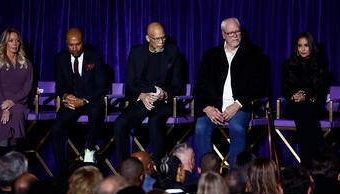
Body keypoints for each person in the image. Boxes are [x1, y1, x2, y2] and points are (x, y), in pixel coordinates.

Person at [194, 17, 268, 168]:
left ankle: (236, 177)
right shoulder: (210, 56)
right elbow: (199, 87)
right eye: (230, 33)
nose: (235, 35)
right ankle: (208, 176)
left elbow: (260, 86)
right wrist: (207, 107)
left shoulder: (254, 54)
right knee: (200, 127)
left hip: (241, 106)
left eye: (237, 32)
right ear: (223, 35)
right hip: (214, 107)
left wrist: (238, 104)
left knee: (236, 127)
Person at [114, 22, 183, 166]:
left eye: (163, 38)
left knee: (155, 121)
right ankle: (126, 168)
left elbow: (178, 84)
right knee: (120, 123)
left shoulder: (173, 52)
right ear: (147, 38)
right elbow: (130, 85)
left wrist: (164, 93)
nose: (161, 42)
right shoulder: (136, 53)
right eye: (157, 39)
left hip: (163, 101)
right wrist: (142, 95)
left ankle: (159, 169)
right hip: (143, 100)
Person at [52, 28, 107, 177]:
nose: (74, 48)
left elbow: (102, 86)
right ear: (66, 43)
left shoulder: (94, 57)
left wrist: (83, 101)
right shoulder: (61, 58)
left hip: (91, 100)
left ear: (83, 42)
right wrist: (65, 96)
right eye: (71, 45)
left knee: (97, 111)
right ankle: (62, 171)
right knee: (57, 128)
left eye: (78, 44)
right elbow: (60, 84)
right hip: (71, 102)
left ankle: (89, 150)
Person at [282, 32, 329, 166]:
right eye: (300, 46)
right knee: (303, 109)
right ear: (296, 48)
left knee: (306, 109)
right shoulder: (288, 65)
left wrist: (306, 96)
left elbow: (320, 90)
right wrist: (294, 96)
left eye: (306, 45)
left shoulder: (320, 65)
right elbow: (285, 90)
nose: (302, 49)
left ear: (312, 47)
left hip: (313, 104)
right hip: (293, 105)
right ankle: (322, 150)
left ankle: (306, 165)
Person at [0, 28, 33, 150]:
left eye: (17, 41)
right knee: (10, 114)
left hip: (19, 102)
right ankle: (5, 153)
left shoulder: (27, 64)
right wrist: (5, 107)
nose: (15, 43)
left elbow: (27, 88)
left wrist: (12, 102)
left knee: (18, 110)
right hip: (0, 104)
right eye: (11, 40)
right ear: (5, 43)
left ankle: (15, 151)